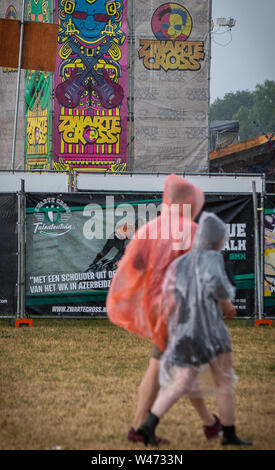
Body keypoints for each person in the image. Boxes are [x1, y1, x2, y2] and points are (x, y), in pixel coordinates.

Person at [107, 175, 222, 444]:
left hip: (158, 307)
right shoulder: (193, 231)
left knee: (175, 365)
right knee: (173, 367)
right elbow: (206, 272)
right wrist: (224, 304)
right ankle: (141, 426)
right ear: (189, 201)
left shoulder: (150, 228)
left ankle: (208, 423)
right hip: (182, 309)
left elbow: (134, 264)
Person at [138, 212, 252, 447]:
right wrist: (226, 304)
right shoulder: (213, 260)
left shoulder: (183, 262)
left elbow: (171, 295)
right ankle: (228, 433)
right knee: (224, 381)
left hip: (185, 331)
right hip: (212, 331)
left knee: (181, 382)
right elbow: (219, 289)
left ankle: (149, 424)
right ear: (218, 239)